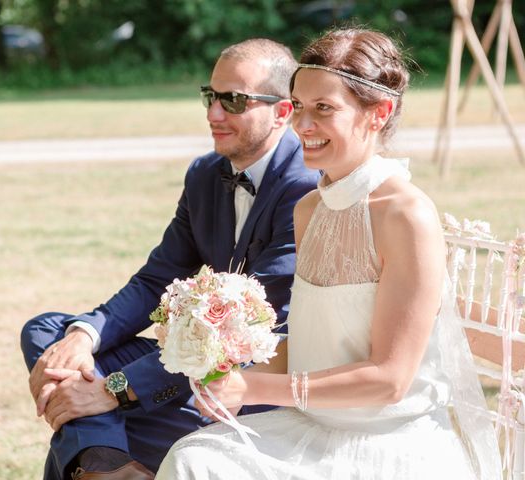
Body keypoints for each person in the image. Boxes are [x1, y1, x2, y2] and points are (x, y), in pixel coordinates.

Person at [156, 28, 502, 480]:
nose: (302, 125)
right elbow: (309, 341)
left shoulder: (406, 215)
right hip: (311, 427)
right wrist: (219, 362)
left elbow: (391, 379)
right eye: (298, 106)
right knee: (192, 457)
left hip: (388, 441)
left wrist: (254, 386)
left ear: (379, 113)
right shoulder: (309, 208)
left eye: (324, 109)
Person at [20, 38, 320, 480]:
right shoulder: (204, 174)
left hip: (250, 383)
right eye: (211, 96)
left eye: (234, 100)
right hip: (196, 360)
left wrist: (113, 391)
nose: (213, 114)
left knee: (81, 409)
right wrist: (84, 338)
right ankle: (109, 465)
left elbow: (248, 335)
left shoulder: (304, 188)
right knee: (49, 333)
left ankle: (98, 458)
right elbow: (156, 279)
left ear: (282, 112)